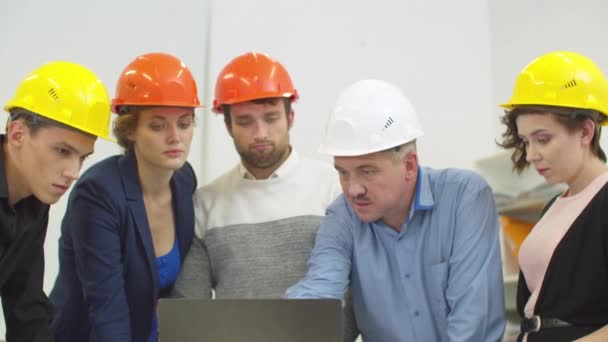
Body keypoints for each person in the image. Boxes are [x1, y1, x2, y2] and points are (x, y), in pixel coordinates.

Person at [286, 79, 506, 341]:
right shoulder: (343, 216)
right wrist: (290, 323)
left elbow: (473, 324)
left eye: (367, 171)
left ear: (410, 165)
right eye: (343, 173)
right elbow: (320, 290)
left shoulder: (464, 197)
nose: (353, 189)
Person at [174, 52, 359, 340]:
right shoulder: (205, 204)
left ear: (291, 117)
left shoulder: (334, 189)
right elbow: (191, 310)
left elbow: (360, 292)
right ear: (228, 125)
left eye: (271, 118)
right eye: (245, 122)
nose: (260, 133)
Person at [49, 52, 200, 342]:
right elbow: (107, 309)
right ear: (129, 130)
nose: (175, 137)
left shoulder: (184, 180)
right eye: (157, 126)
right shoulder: (97, 194)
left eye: (184, 123)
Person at [498, 51, 608, 342]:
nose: (532, 154)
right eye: (526, 141)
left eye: (543, 139)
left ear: (585, 131)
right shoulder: (554, 206)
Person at [0, 61, 111, 342]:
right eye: (62, 151)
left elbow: (26, 310)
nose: (73, 172)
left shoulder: (33, 198)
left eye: (82, 157)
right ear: (17, 134)